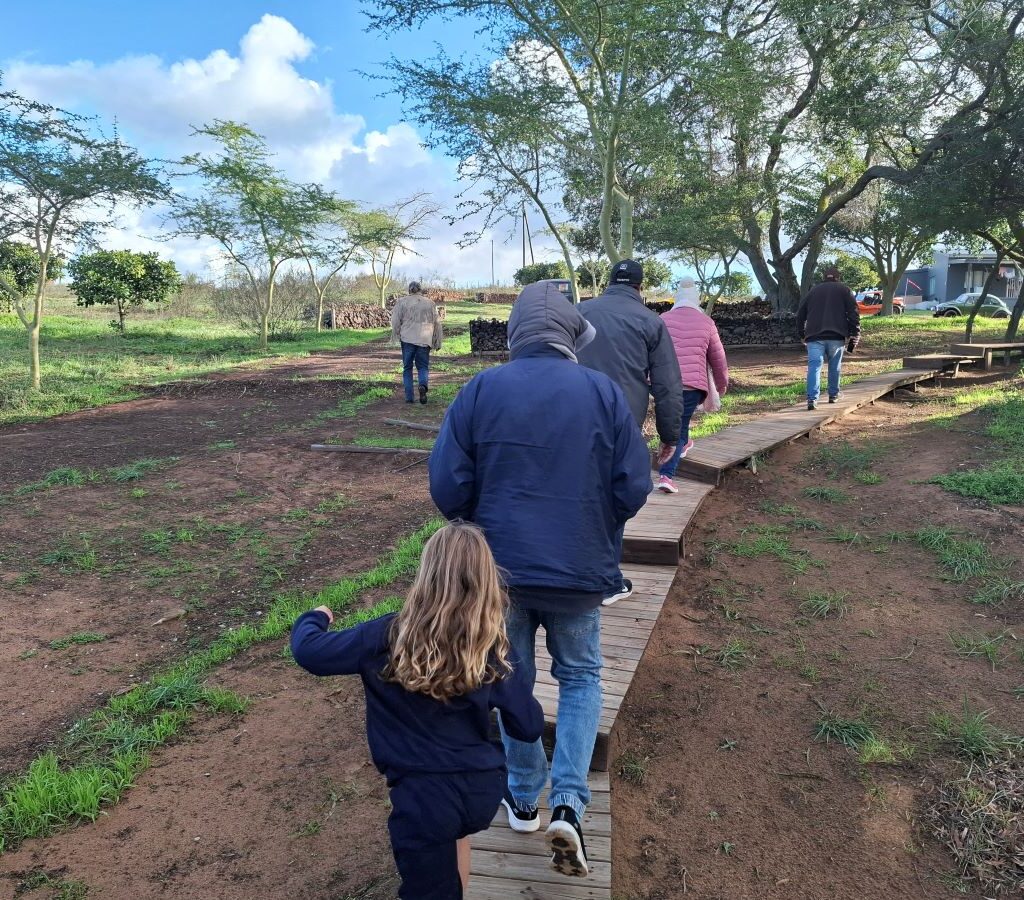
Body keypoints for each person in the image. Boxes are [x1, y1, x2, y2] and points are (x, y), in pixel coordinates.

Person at [429, 280, 652, 879]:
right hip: (580, 571)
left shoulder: (481, 389)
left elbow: (448, 486)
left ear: (516, 332)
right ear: (572, 335)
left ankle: (523, 798)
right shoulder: (603, 392)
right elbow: (634, 483)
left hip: (497, 575)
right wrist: (599, 524)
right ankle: (570, 805)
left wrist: (475, 527)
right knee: (580, 678)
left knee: (510, 679)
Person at [291, 523, 544, 900]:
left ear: (425, 573)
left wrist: (315, 617)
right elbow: (528, 727)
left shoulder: (386, 635)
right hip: (480, 789)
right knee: (456, 842)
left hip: (423, 798)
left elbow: (309, 652)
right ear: (488, 579)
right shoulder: (494, 648)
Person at [576, 258, 684, 599]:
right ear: (640, 287)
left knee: (572, 493)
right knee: (614, 497)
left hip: (569, 418)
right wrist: (671, 438)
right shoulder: (650, 322)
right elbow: (667, 385)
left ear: (609, 282)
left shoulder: (578, 312)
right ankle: (607, 580)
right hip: (620, 425)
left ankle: (569, 570)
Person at [656, 277, 729, 493]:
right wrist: (722, 383)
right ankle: (666, 476)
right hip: (692, 387)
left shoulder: (663, 319)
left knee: (673, 422)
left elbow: (650, 351)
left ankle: (683, 445)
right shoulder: (706, 322)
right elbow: (718, 358)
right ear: (696, 300)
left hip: (663, 384)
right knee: (679, 426)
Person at [796, 267, 861, 410]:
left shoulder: (813, 291)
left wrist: (802, 334)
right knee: (834, 367)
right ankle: (833, 395)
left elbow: (800, 313)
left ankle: (812, 400)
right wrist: (854, 332)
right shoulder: (845, 290)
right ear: (838, 277)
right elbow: (853, 313)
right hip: (836, 336)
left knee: (814, 367)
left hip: (814, 336)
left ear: (824, 277)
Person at [391, 281, 444, 404]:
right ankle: (422, 386)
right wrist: (436, 340)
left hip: (407, 338)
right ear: (420, 290)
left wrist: (398, 333)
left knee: (407, 368)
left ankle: (409, 397)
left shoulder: (402, 302)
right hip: (425, 339)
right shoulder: (430, 303)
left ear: (409, 290)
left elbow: (395, 321)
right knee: (423, 367)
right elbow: (437, 323)